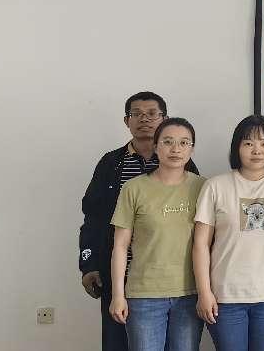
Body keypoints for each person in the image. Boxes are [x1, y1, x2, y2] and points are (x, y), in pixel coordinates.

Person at [78, 92, 198, 351]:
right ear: (127, 120)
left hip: (175, 280)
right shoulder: (111, 163)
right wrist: (88, 264)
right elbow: (93, 217)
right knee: (117, 343)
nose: (145, 119)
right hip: (120, 276)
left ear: (164, 118)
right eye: (137, 114)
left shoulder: (182, 163)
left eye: (152, 113)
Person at [192, 115, 264, 351]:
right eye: (248, 143)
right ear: (237, 147)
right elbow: (200, 244)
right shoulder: (215, 186)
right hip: (225, 296)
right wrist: (204, 292)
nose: (257, 150)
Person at [108, 118, 206, 351]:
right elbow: (120, 246)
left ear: (192, 149)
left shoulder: (204, 187)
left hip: (190, 294)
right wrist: (117, 295)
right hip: (144, 295)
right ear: (155, 146)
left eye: (184, 143)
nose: (176, 149)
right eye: (168, 142)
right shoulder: (134, 188)